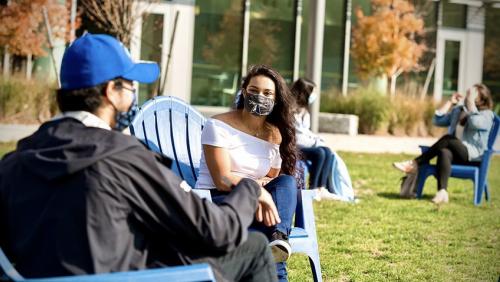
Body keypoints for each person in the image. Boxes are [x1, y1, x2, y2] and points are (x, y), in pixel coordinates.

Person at [0, 34, 279, 282]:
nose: (135, 97)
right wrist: (250, 188)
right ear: (111, 91)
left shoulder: (14, 162)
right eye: (132, 88)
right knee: (253, 246)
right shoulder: (124, 156)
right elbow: (218, 231)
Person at [195, 65, 299, 282]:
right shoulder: (218, 126)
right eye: (254, 90)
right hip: (218, 199)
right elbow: (222, 179)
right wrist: (256, 189)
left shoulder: (275, 134)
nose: (259, 97)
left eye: (267, 93)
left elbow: (272, 176)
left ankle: (279, 238)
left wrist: (260, 189)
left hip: (255, 201)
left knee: (287, 182)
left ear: (276, 99)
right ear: (243, 91)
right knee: (266, 231)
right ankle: (275, 240)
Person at [393, 84, 495, 204]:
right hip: (455, 154)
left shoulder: (487, 114)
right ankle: (442, 192)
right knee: (444, 151)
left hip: (472, 156)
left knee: (448, 139)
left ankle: (415, 163)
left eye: (472, 94)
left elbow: (475, 123)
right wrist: (450, 103)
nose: (468, 96)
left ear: (482, 98)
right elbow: (437, 120)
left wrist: (470, 103)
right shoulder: (459, 110)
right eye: (468, 93)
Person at [291, 78, 354, 202]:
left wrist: (317, 139)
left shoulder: (304, 111)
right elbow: (297, 136)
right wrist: (315, 142)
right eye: (313, 92)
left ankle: (321, 188)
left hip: (304, 145)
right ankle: (313, 188)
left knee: (327, 152)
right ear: (305, 93)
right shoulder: (291, 111)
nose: (314, 95)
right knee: (320, 153)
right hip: (294, 147)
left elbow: (305, 132)